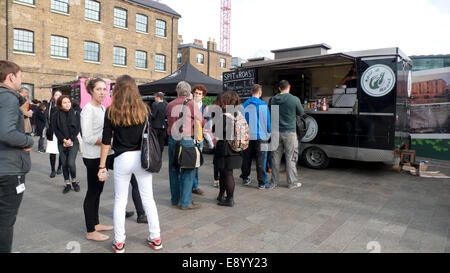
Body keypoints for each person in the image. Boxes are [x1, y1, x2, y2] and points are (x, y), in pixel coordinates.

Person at [98, 75, 162, 253]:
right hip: (142, 157)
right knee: (148, 198)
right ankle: (155, 238)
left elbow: (105, 141)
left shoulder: (111, 111)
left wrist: (102, 166)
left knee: (120, 200)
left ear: (117, 89)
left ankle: (119, 242)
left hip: (122, 158)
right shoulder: (144, 110)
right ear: (135, 89)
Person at [0, 60, 34, 253]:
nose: (22, 80)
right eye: (20, 76)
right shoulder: (8, 98)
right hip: (8, 170)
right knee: (5, 221)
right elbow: (6, 133)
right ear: (11, 77)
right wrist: (28, 142)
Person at [80, 78, 114, 242]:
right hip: (93, 157)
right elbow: (87, 137)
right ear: (91, 91)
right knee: (92, 192)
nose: (102, 92)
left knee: (98, 191)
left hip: (103, 155)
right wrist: (108, 141)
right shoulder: (88, 109)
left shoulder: (102, 108)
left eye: (104, 89)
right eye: (98, 89)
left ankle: (96, 223)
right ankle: (90, 230)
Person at [166, 81, 205, 210]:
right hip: (187, 140)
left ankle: (175, 199)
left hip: (172, 140)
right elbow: (202, 121)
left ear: (177, 91)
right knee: (188, 170)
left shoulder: (170, 105)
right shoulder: (191, 104)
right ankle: (186, 202)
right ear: (189, 93)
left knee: (174, 169)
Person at [269, 80, 304, 189]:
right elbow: (301, 113)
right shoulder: (294, 99)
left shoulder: (273, 99)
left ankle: (274, 182)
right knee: (290, 157)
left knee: (275, 158)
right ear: (289, 87)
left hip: (275, 132)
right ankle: (292, 183)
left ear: (279, 88)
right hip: (290, 132)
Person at [213, 91, 243, 207]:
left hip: (225, 148)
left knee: (227, 174)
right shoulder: (237, 113)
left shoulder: (224, 115)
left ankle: (230, 199)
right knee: (225, 173)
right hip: (235, 147)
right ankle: (221, 195)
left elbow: (217, 131)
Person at [240, 84, 271, 189]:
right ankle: (261, 183)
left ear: (251, 92)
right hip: (260, 136)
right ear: (260, 92)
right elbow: (267, 121)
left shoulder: (244, 105)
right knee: (260, 159)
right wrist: (269, 132)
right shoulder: (263, 105)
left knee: (246, 158)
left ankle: (245, 178)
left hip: (247, 136)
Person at [51, 95, 81, 194]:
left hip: (73, 141)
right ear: (60, 104)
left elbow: (77, 128)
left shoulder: (76, 113)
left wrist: (70, 140)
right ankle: (67, 183)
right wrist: (64, 140)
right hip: (61, 142)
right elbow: (56, 130)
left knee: (71, 163)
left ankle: (74, 181)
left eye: (68, 102)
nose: (67, 104)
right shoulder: (55, 115)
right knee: (64, 164)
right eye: (64, 102)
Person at [191, 84, 209, 196]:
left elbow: (207, 123)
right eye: (196, 93)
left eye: (199, 94)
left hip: (200, 138)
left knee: (197, 163)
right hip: (189, 138)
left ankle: (195, 186)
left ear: (203, 96)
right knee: (187, 162)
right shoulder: (188, 104)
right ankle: (187, 185)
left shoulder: (205, 107)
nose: (197, 95)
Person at [45, 91, 63, 178]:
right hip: (52, 132)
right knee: (52, 152)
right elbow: (46, 118)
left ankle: (60, 167)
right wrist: (48, 128)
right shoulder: (49, 106)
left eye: (60, 95)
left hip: (62, 132)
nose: (58, 96)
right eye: (56, 95)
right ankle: (53, 170)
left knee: (61, 151)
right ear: (53, 96)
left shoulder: (64, 105)